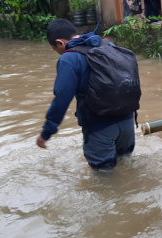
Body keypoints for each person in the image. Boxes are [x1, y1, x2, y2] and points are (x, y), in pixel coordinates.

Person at [37, 19, 135, 170]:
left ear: (60, 43)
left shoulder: (69, 58)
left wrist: (46, 133)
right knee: (127, 167)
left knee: (103, 181)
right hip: (127, 122)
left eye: (56, 50)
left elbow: (62, 99)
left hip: (99, 127)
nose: (59, 53)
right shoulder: (108, 45)